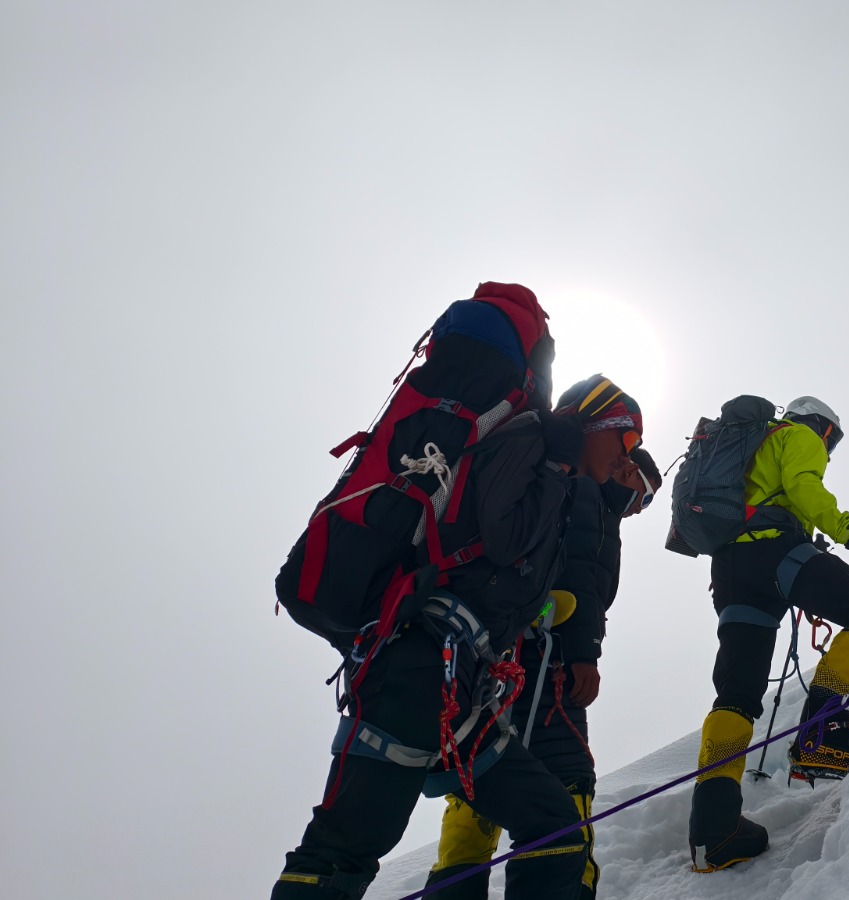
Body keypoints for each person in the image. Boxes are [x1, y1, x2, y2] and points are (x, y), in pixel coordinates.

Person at [271, 366, 644, 900]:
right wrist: (557, 466)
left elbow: (506, 576)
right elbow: (504, 536)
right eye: (627, 437)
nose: (629, 455)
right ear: (594, 422)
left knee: (554, 826)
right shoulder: (534, 441)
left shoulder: (558, 473)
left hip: (462, 686)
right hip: (419, 667)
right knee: (341, 851)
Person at [425, 441, 662, 900]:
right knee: (568, 774)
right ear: (628, 470)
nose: (640, 507)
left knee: (485, 773)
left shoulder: (560, 487)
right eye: (646, 494)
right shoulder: (590, 495)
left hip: (499, 655)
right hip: (549, 657)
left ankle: (454, 885)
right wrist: (584, 654)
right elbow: (578, 574)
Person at [687, 396, 849, 873]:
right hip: (776, 552)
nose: (829, 449)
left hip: (730, 571)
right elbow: (803, 485)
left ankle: (714, 832)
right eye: (832, 440)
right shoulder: (796, 435)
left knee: (736, 696)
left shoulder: (747, 447)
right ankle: (822, 733)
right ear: (822, 427)